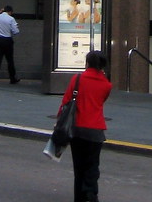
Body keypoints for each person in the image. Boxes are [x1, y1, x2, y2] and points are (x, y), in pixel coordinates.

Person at [58, 50, 112, 202]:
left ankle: (79, 197)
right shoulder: (107, 84)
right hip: (96, 130)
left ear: (87, 63)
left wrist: (59, 121)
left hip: (78, 128)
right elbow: (101, 101)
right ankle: (91, 194)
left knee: (79, 166)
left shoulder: (77, 79)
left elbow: (66, 101)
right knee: (92, 165)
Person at [0, 5, 20, 86]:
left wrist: (0, 13)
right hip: (7, 40)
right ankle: (12, 78)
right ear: (10, 12)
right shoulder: (11, 19)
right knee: (10, 60)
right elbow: (16, 31)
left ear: (3, 10)